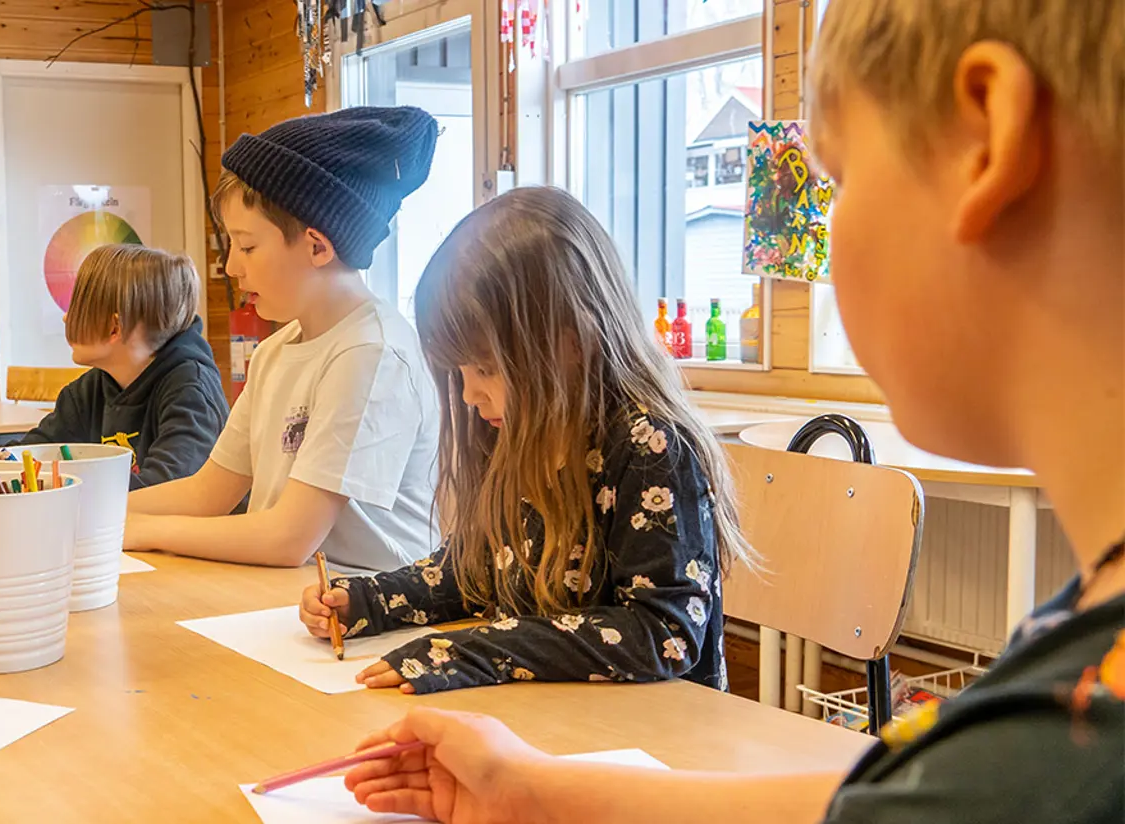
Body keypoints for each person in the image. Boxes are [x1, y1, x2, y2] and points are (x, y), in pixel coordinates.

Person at [344, 1, 1124, 821]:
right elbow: (899, 790)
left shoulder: (1072, 745)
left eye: (839, 179)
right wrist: (532, 790)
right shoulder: (1066, 669)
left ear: (984, 140)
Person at [300, 187, 755, 696]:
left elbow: (661, 634)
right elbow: (473, 571)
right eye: (462, 370)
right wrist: (369, 601)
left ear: (570, 343)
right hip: (549, 723)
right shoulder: (516, 429)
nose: (469, 393)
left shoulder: (650, 448)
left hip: (652, 744)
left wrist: (476, 649)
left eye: (487, 368)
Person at [124, 107, 443, 572]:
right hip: (285, 600)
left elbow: (288, 538)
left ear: (318, 245)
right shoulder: (278, 349)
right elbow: (208, 492)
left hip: (368, 611)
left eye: (247, 246)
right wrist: (85, 516)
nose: (233, 268)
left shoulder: (371, 353)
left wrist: (134, 530)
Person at [9, 243, 228, 488]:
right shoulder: (89, 391)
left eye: (79, 308)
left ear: (115, 327)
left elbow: (164, 488)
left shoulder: (190, 391)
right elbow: (33, 451)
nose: (66, 317)